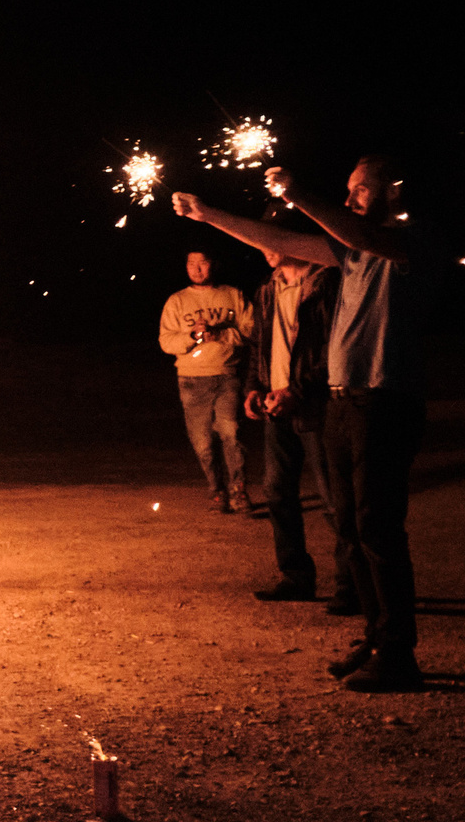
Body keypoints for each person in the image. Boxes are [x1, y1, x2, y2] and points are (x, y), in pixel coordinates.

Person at [175, 155, 444, 693]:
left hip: (384, 401)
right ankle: (375, 637)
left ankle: (398, 653)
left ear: (392, 192)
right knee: (352, 525)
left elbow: (356, 232)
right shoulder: (351, 251)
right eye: (347, 189)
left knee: (377, 527)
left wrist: (297, 193)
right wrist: (210, 215)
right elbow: (282, 240)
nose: (348, 199)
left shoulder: (409, 242)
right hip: (344, 402)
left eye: (360, 189)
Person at [243, 230, 346, 603]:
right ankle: (296, 576)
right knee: (277, 491)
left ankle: (352, 584)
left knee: (334, 497)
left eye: (270, 239)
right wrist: (254, 387)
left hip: (316, 406)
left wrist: (297, 392)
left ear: (293, 240)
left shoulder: (326, 284)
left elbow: (336, 349)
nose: (263, 248)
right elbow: (260, 344)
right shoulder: (268, 289)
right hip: (277, 406)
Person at [158, 250, 256, 513]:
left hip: (226, 374)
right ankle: (216, 490)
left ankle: (239, 490)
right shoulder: (177, 301)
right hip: (191, 379)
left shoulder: (233, 295)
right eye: (191, 263)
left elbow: (252, 330)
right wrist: (192, 336)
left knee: (232, 433)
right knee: (202, 442)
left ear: (214, 264)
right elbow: (166, 341)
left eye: (202, 262)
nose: (197, 269)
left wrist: (220, 334)